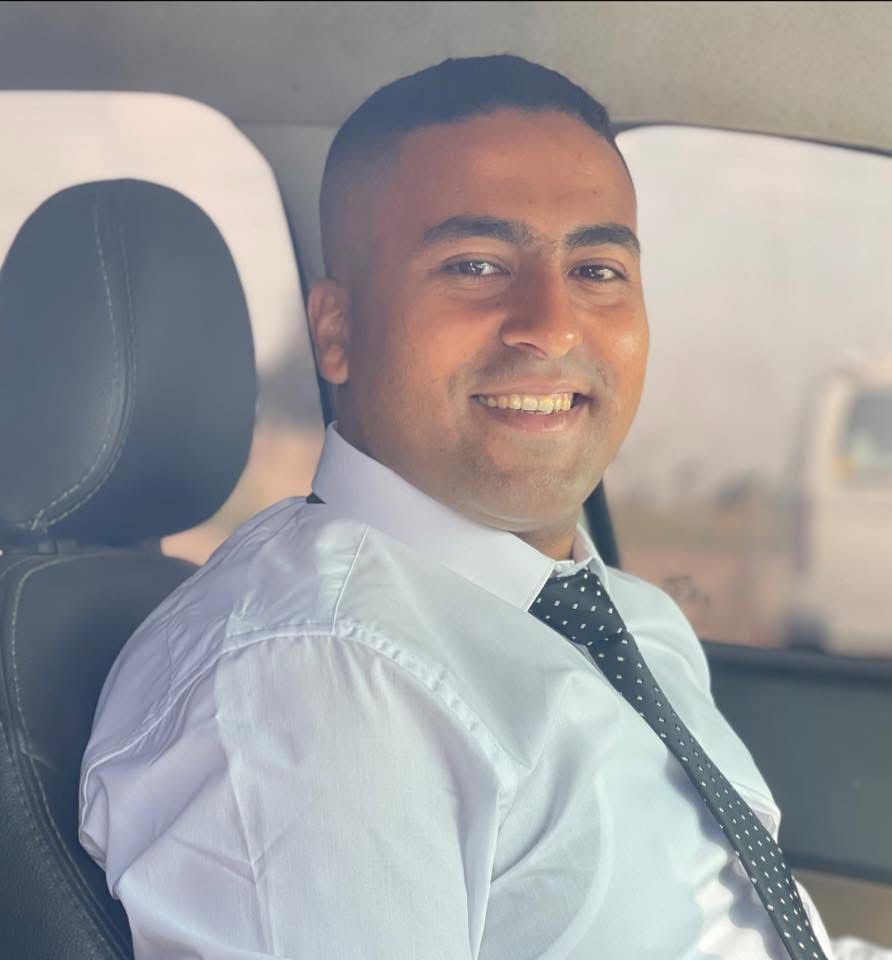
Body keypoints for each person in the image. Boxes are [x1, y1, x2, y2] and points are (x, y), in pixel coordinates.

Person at [79, 55, 837, 959]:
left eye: (597, 269)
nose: (552, 324)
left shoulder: (623, 614)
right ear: (337, 331)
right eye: (475, 265)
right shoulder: (311, 681)